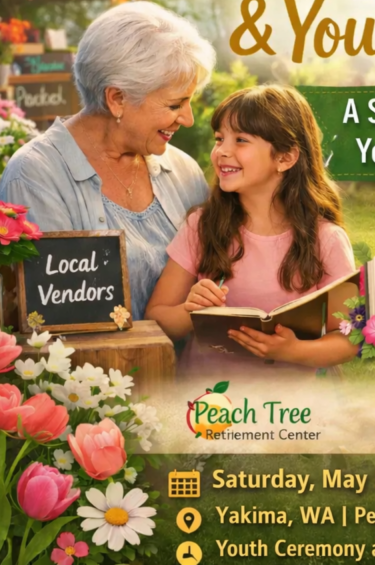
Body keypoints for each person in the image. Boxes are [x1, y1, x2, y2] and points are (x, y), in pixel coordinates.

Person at [0, 2, 216, 320]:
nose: (189, 118)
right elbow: (57, 322)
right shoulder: (34, 176)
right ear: (117, 99)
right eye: (175, 104)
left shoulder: (183, 171)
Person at [145, 85, 358, 376]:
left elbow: (350, 338)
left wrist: (293, 351)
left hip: (286, 414)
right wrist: (189, 311)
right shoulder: (202, 226)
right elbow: (157, 317)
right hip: (205, 406)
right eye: (220, 138)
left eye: (241, 140)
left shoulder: (326, 239)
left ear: (285, 157)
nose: (222, 151)